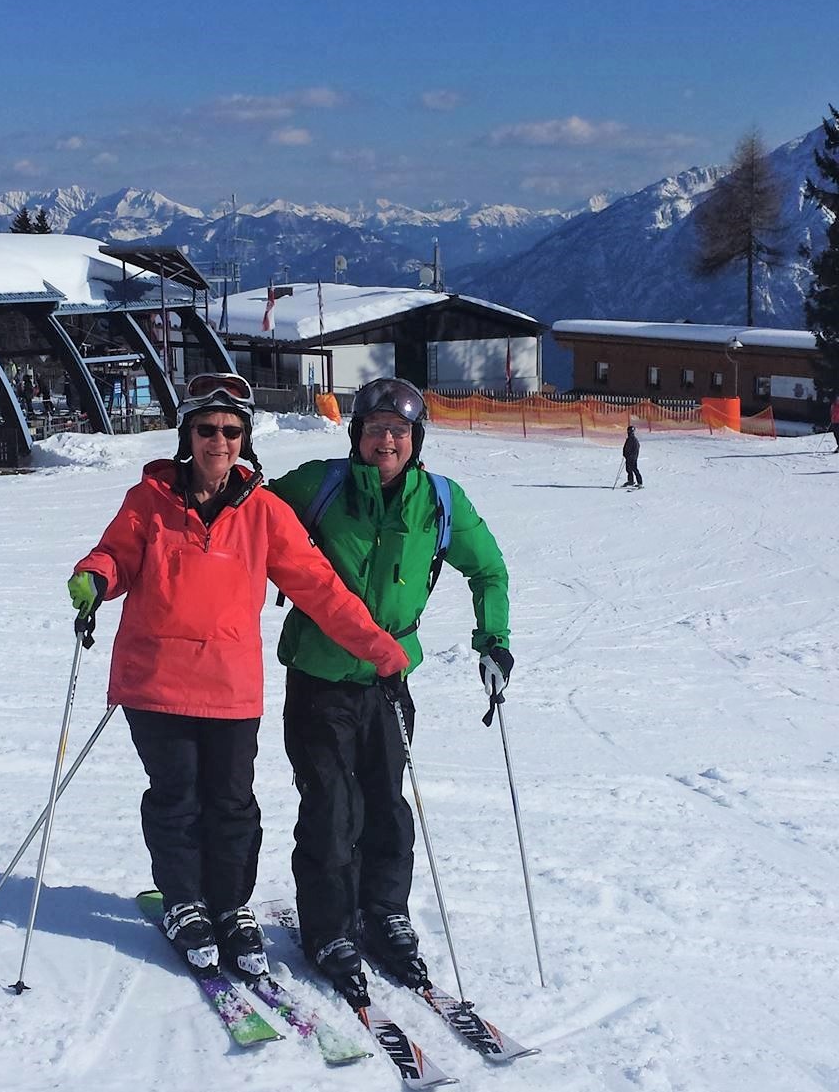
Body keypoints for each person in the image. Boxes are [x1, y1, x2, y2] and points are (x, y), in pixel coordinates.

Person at [69, 374, 409, 981]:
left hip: (230, 686)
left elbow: (320, 589)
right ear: (187, 436)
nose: (218, 441)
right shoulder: (147, 501)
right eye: (206, 429)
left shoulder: (264, 512)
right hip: (156, 681)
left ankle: (230, 905)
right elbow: (117, 555)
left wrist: (379, 648)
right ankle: (185, 901)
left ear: (245, 438)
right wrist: (95, 577)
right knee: (177, 799)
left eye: (231, 430)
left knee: (232, 805)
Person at [268, 377, 512, 999]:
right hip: (321, 673)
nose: (386, 442)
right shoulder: (317, 486)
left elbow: (487, 568)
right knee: (330, 807)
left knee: (386, 806)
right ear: (357, 435)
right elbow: (252, 522)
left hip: (391, 676)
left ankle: (383, 913)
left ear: (416, 440)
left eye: (399, 433)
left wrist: (494, 639)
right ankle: (329, 926)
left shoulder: (439, 501)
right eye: (375, 430)